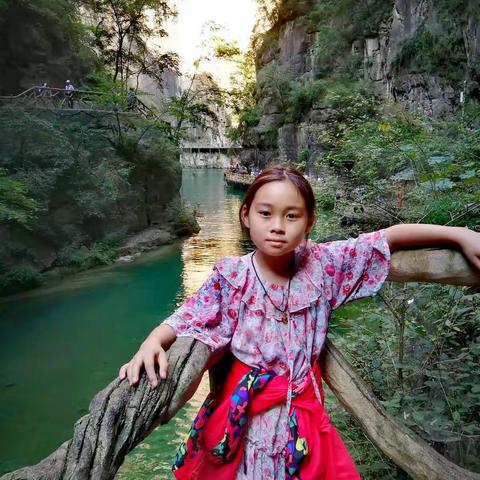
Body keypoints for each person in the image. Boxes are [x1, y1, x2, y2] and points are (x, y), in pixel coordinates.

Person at [118, 164, 480, 479]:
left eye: (292, 216)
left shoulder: (324, 267)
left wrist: (459, 234)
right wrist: (151, 341)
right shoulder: (232, 277)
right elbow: (188, 317)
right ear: (246, 216)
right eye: (266, 214)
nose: (278, 226)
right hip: (247, 424)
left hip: (302, 416)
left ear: (309, 222)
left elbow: (386, 240)